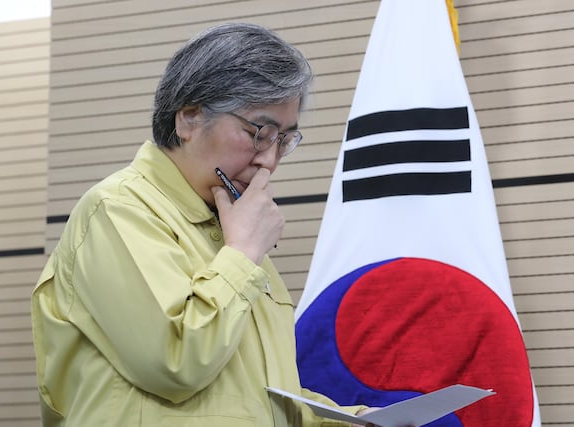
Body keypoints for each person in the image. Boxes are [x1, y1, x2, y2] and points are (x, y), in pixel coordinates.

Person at [31, 22, 373, 426]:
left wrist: (358, 421)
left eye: (284, 140)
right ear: (189, 118)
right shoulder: (117, 210)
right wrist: (243, 253)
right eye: (259, 133)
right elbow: (175, 362)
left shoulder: (233, 235)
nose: (269, 161)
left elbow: (262, 399)